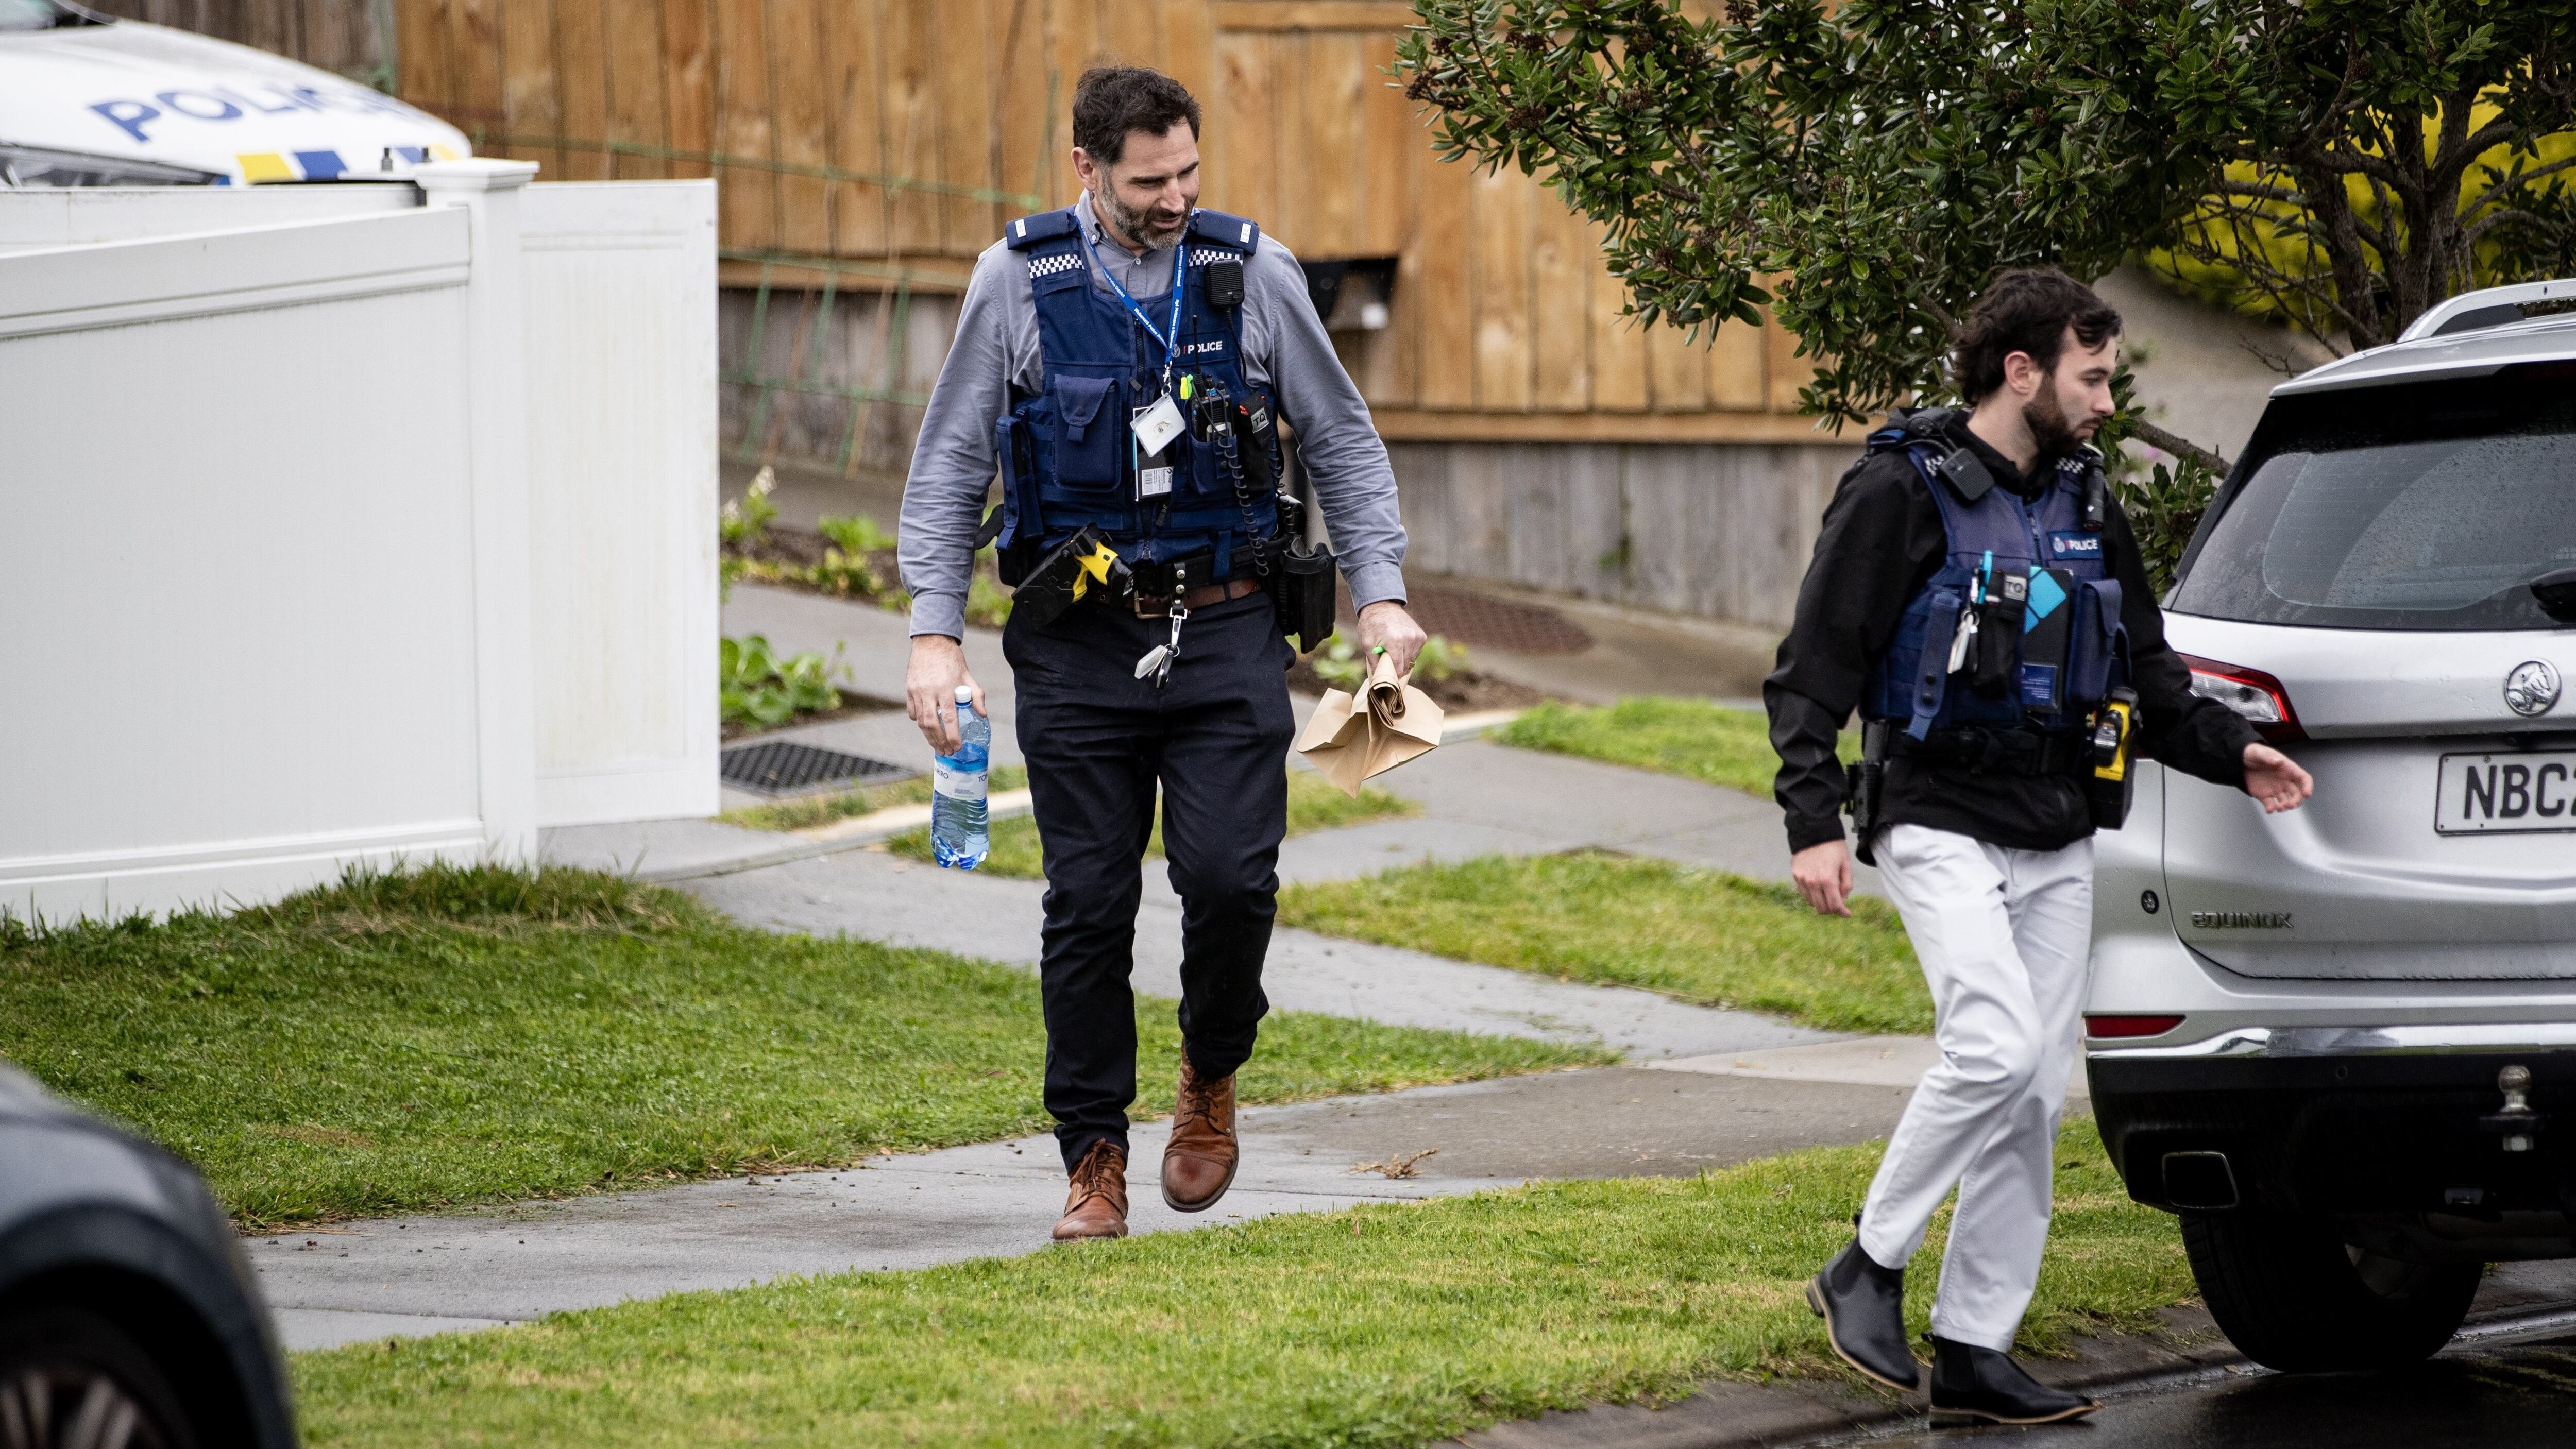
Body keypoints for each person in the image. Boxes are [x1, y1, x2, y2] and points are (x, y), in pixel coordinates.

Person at [1767, 269, 2314, 1425]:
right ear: (2022, 372)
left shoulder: (2082, 499)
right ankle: (1864, 1264)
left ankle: (1975, 1349)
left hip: (2057, 832)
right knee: (1991, 1045)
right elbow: (1812, 665)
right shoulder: (1896, 492)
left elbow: (2146, 675)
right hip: (1932, 814)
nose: (2108, 401)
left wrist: (2232, 753)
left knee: (2027, 1096)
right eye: (2093, 376)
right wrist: (1811, 819)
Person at [897, 65, 1424, 1244]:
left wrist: (1380, 597)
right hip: (1078, 645)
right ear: (1084, 167)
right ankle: (1092, 1158)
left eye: (1189, 168)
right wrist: (934, 632)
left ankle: (1210, 1070)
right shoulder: (1017, 280)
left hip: (1228, 628)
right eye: (1150, 179)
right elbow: (947, 468)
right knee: (1086, 904)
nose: (1178, 193)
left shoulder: (1252, 273)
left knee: (1231, 882)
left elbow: (1340, 437)